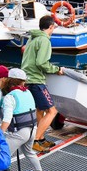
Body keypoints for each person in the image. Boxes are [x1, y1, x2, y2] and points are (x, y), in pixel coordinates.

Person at [21, 14, 64, 152]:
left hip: (27, 79)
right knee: (52, 111)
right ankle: (35, 140)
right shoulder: (44, 40)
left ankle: (40, 139)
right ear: (51, 27)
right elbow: (41, 63)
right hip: (36, 80)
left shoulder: (32, 39)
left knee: (39, 110)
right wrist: (56, 70)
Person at [0, 67, 43, 171]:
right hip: (33, 129)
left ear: (9, 80)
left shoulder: (10, 96)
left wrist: (0, 133)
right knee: (29, 151)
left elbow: (7, 118)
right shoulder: (28, 92)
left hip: (20, 132)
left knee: (3, 155)